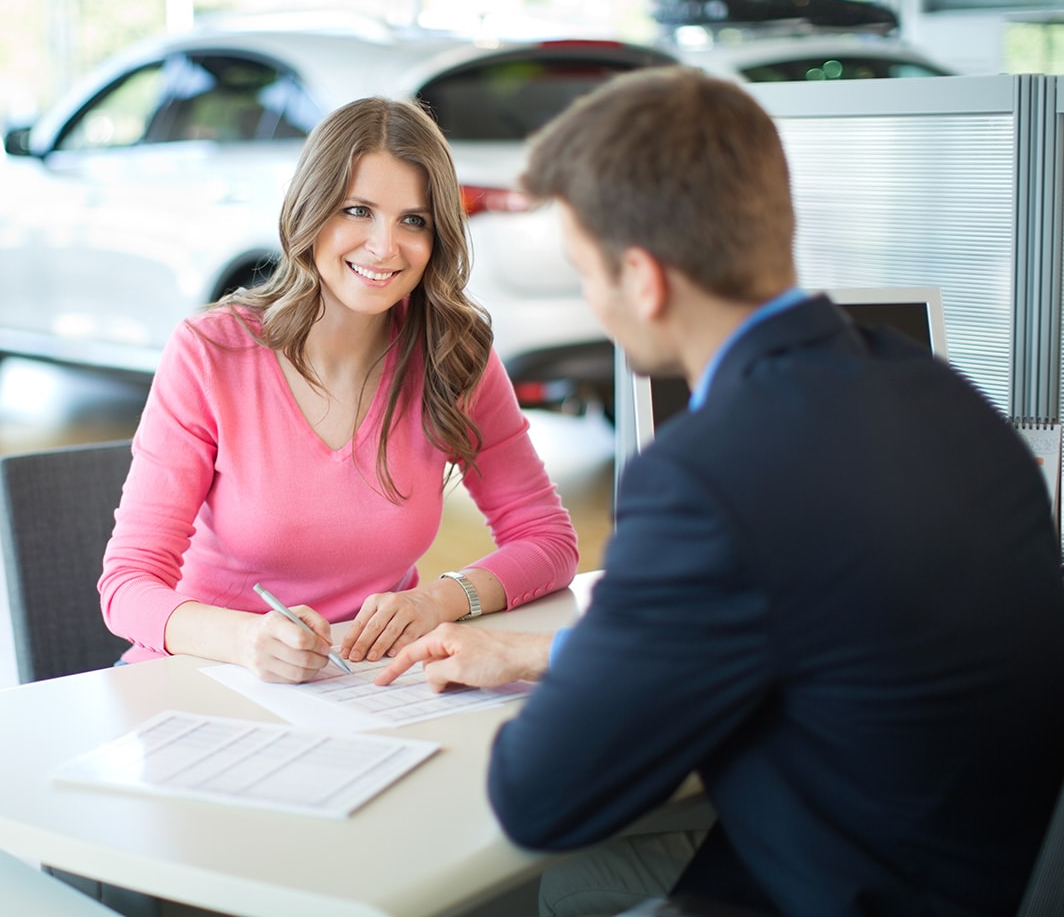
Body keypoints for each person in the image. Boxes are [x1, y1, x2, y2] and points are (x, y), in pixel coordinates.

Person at [378, 66, 1064, 916]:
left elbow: (542, 797)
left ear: (644, 278)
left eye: (585, 273)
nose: (591, 303)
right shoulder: (936, 393)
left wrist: (593, 676)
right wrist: (545, 656)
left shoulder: (709, 474)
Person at [98, 96, 579, 683]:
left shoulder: (454, 356)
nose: (384, 247)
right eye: (357, 210)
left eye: (414, 220)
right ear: (311, 209)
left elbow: (548, 540)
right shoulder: (210, 352)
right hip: (204, 677)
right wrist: (247, 639)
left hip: (369, 685)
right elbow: (127, 585)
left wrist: (438, 600)